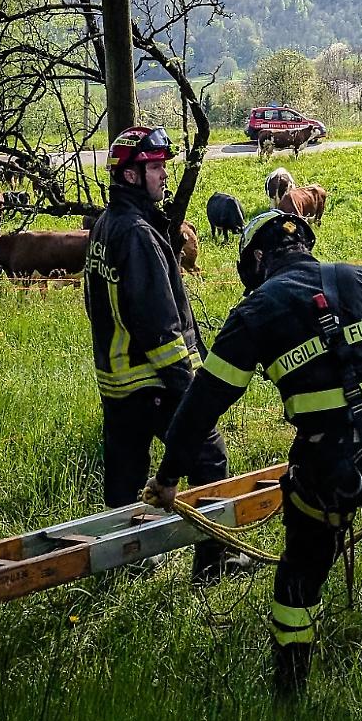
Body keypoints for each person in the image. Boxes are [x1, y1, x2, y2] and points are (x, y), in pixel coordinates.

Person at [145, 208, 362, 694]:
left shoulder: (255, 311)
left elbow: (203, 402)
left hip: (326, 466)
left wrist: (169, 477)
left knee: (301, 571)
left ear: (257, 259)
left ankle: (291, 684)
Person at [83, 125, 237, 580]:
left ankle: (125, 564)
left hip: (117, 381)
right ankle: (215, 562)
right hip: (154, 380)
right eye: (155, 168)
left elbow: (98, 306)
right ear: (130, 175)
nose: (164, 175)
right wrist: (191, 392)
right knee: (209, 459)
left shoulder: (106, 226)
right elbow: (159, 327)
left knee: (125, 476)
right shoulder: (139, 235)